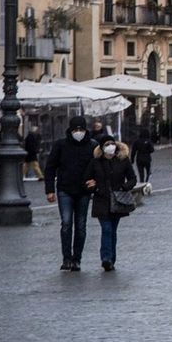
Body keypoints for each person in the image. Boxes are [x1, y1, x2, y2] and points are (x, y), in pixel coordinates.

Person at [45, 116, 97, 272]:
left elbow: (99, 167)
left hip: (84, 191)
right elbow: (50, 167)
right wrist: (49, 190)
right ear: (71, 130)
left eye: (81, 129)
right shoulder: (61, 145)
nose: (79, 132)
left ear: (86, 130)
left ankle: (77, 259)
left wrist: (95, 182)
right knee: (66, 224)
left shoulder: (92, 146)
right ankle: (66, 258)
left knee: (81, 226)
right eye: (76, 130)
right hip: (65, 189)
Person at [85, 137, 136, 272]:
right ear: (102, 147)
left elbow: (132, 178)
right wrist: (93, 187)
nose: (111, 146)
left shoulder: (122, 160)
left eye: (113, 144)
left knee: (113, 230)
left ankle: (111, 259)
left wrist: (125, 187)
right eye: (107, 144)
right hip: (101, 199)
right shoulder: (95, 162)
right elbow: (87, 179)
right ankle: (106, 258)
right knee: (106, 228)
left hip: (117, 199)